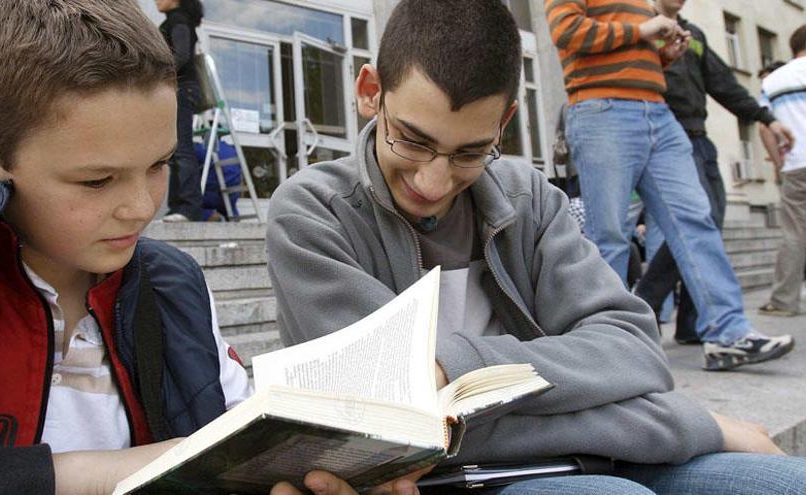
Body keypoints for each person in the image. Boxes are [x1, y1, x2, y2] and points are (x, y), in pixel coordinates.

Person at [266, 1, 806, 493]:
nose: (432, 182)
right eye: (411, 140)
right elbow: (395, 423)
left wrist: (453, 369)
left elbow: (632, 349)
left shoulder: (529, 197)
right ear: (369, 92)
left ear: (503, 122)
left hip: (597, 453)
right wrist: (689, 423)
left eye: (471, 152)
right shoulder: (313, 213)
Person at [0, 1, 257, 493]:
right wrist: (91, 474)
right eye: (98, 180)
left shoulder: (174, 285)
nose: (142, 208)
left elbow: (239, 434)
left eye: (159, 164)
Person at [545, 0, 794, 371]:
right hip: (602, 109)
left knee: (696, 220)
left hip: (658, 111)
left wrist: (664, 56)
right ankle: (610, 345)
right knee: (610, 234)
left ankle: (727, 334)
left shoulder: (642, 3)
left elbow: (629, 52)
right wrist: (643, 31)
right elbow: (566, 32)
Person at [633, 0, 796, 345]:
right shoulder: (644, 27)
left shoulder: (694, 35)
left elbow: (724, 84)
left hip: (700, 141)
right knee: (695, 226)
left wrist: (766, 118)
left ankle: (692, 323)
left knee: (710, 224)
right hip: (667, 138)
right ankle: (644, 302)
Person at [759, 25, 806, 317]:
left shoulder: (774, 79)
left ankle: (783, 301)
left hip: (796, 165)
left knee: (793, 233)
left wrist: (779, 163)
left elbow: (764, 127)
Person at [157, 0, 205, 222]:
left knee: (182, 148)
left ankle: (188, 208)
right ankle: (178, 207)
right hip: (176, 89)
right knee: (174, 149)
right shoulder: (172, 21)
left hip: (181, 89)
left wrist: (155, 78)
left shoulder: (179, 20)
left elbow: (181, 56)